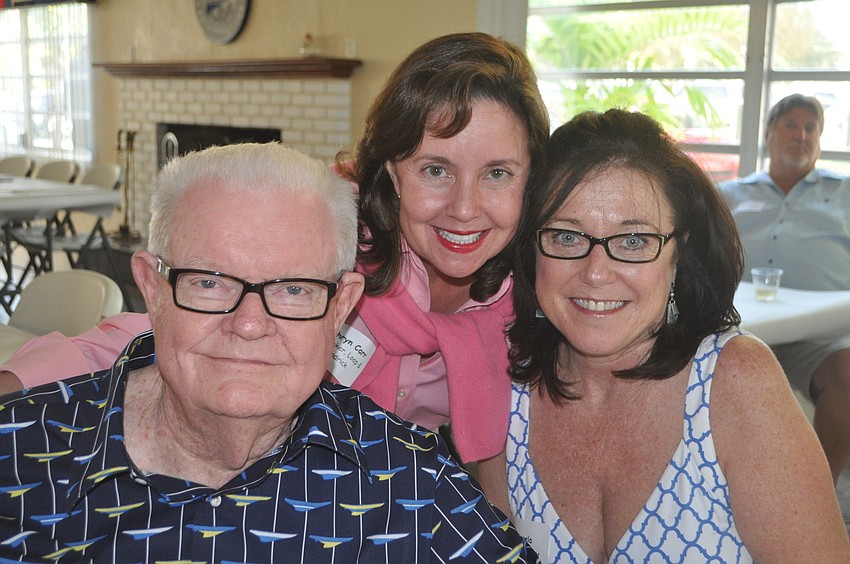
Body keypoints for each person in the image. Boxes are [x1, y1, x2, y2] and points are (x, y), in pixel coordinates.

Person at [0, 32, 550, 464]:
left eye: (497, 173)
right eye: (436, 170)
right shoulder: (328, 234)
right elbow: (191, 319)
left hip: (403, 501)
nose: (464, 208)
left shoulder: (542, 292)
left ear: (531, 180)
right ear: (392, 171)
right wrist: (26, 380)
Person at [0, 143, 537, 562]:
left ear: (342, 305)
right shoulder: (18, 451)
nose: (250, 324)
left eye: (295, 289)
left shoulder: (412, 482)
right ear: (153, 289)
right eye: (209, 282)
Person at [476, 109, 850, 562]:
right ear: (529, 248)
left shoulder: (736, 385)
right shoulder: (501, 386)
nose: (595, 273)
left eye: (633, 241)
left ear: (679, 254)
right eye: (566, 236)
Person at [719, 93, 850, 484]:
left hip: (820, 335)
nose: (801, 135)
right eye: (791, 125)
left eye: (811, 128)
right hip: (737, 325)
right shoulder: (731, 194)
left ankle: (818, 499)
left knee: (847, 374)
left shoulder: (844, 192)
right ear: (769, 135)